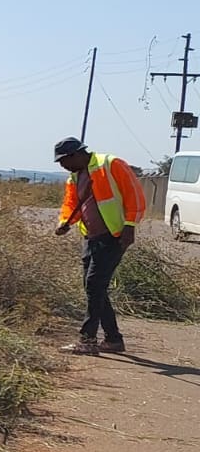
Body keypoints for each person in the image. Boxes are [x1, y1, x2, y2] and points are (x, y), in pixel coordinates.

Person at [52, 137, 145, 355]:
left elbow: (135, 195)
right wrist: (65, 223)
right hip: (91, 237)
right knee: (93, 286)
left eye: (63, 161)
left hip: (114, 235)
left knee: (94, 284)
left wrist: (130, 226)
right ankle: (113, 339)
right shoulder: (74, 177)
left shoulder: (110, 164)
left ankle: (88, 340)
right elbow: (71, 204)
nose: (62, 166)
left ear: (75, 154)